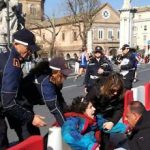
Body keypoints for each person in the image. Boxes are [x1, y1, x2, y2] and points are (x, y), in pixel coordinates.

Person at [1, 28, 46, 144]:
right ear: (16, 44)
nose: (30, 53)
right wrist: (31, 118)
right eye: (28, 49)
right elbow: (9, 103)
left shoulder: (8, 56)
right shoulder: (12, 64)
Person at [21, 57, 71, 126]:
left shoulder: (52, 78)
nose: (66, 77)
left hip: (27, 104)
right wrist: (66, 127)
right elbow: (54, 108)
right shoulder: (46, 81)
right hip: (17, 105)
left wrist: (70, 114)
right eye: (64, 75)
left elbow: (60, 100)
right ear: (57, 73)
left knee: (34, 132)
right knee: (29, 134)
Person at [62, 96, 127, 150]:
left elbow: (105, 125)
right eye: (90, 107)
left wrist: (125, 128)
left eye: (93, 106)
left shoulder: (94, 119)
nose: (94, 109)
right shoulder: (73, 120)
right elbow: (68, 135)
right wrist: (90, 146)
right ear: (82, 110)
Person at [86, 72, 125, 150]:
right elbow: (86, 106)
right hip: (94, 115)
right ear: (107, 87)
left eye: (118, 90)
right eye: (113, 90)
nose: (115, 93)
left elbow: (119, 109)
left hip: (108, 115)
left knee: (105, 138)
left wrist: (112, 122)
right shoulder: (95, 91)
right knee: (93, 139)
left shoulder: (119, 93)